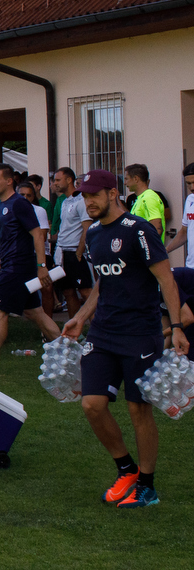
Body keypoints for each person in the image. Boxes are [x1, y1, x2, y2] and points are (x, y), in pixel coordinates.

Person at [63, 169, 189, 509]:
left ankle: (147, 486)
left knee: (138, 410)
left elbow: (167, 281)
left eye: (94, 195)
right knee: (92, 404)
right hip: (102, 332)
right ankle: (126, 469)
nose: (88, 201)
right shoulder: (92, 236)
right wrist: (80, 316)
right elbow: (102, 283)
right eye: (84, 196)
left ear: (113, 193)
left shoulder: (140, 231)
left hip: (139, 333)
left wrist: (176, 327)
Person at [0, 163, 61, 377]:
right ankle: (72, 352)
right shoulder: (0, 205)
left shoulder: (19, 204)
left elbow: (37, 234)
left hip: (18, 267)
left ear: (9, 181)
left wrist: (41, 266)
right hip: (10, 265)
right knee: (35, 313)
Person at [51, 167, 90, 316]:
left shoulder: (81, 201)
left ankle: (98, 332)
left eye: (58, 180)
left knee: (85, 291)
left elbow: (86, 229)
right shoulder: (65, 201)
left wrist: (79, 252)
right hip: (62, 253)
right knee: (68, 292)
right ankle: (75, 333)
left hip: (74, 252)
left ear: (69, 180)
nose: (55, 184)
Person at [162, 164, 194, 272]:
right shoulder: (190, 200)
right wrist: (165, 250)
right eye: (188, 183)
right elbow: (184, 231)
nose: (192, 187)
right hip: (191, 266)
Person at [124, 164, 167, 239]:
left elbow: (157, 228)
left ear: (136, 179)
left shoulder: (149, 197)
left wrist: (147, 249)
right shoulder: (140, 198)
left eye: (126, 179)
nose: (125, 183)